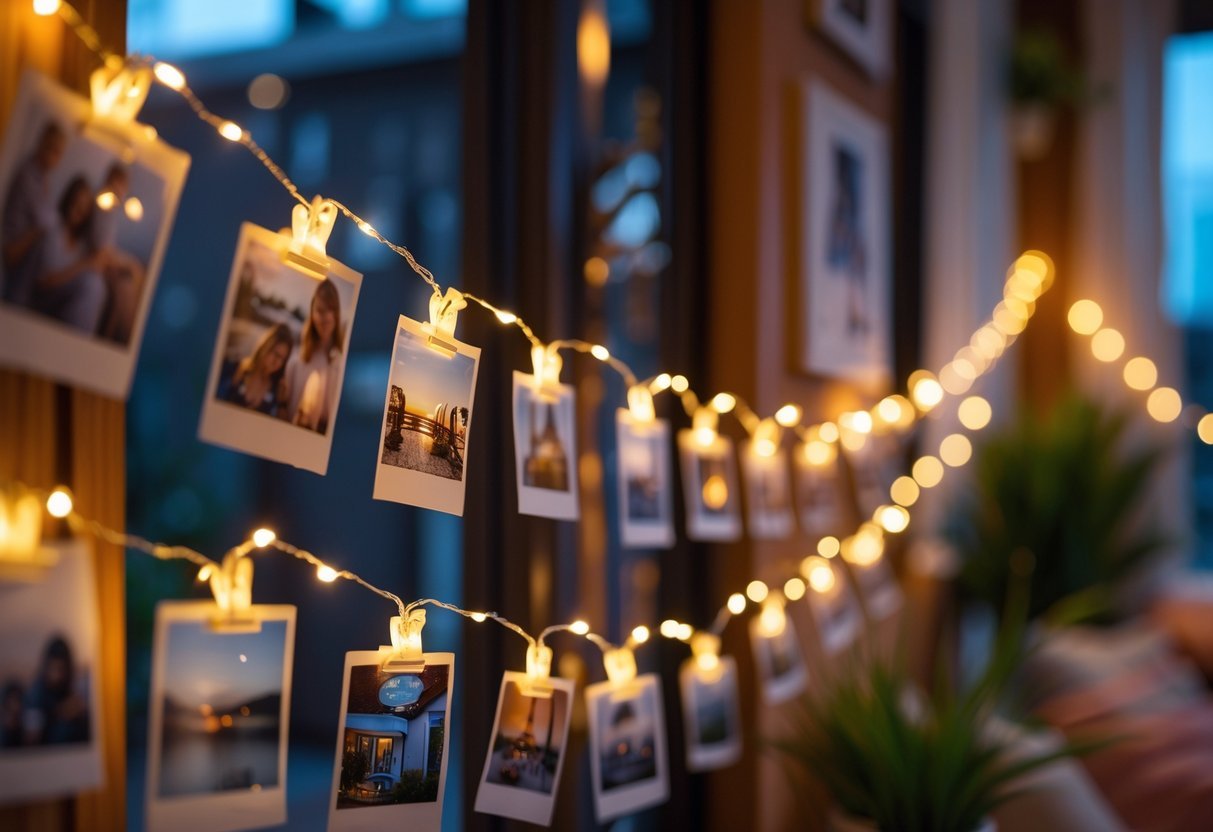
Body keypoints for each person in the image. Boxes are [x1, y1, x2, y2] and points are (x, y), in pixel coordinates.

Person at [29, 175, 108, 334]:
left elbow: (102, 255)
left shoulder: (81, 244)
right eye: (77, 202)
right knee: (92, 283)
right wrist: (83, 265)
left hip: (65, 305)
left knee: (97, 284)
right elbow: (45, 281)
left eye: (85, 206)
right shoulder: (53, 229)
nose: (79, 209)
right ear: (69, 199)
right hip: (42, 300)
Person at [2, 121, 65, 306]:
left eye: (58, 152)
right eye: (51, 149)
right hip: (14, 252)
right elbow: (45, 222)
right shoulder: (28, 176)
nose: (54, 156)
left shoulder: (43, 179)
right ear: (42, 144)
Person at [90, 163, 146, 344]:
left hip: (105, 260)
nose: (121, 189)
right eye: (119, 182)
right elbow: (101, 249)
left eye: (124, 184)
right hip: (98, 261)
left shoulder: (111, 209)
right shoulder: (103, 204)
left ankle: (116, 336)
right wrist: (127, 263)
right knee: (129, 281)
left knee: (132, 279)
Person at [281, 278, 344, 434]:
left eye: (331, 310)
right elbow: (284, 407)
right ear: (312, 314)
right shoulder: (296, 360)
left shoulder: (341, 363)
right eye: (320, 310)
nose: (327, 317)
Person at [25, 635, 89, 746]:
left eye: (61, 669)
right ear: (46, 666)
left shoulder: (73, 688)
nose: (56, 675)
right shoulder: (36, 694)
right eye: (53, 668)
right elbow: (32, 739)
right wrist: (59, 713)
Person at [221, 323, 293, 416]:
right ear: (266, 347)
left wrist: (282, 403)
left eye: (282, 359)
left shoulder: (277, 389)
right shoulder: (237, 369)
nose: (277, 362)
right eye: (276, 354)